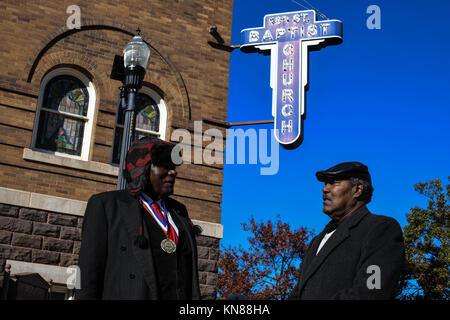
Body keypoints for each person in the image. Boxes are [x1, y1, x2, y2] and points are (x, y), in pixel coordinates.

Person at [76, 137, 201, 300]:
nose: (173, 171)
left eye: (173, 167)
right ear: (143, 168)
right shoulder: (107, 206)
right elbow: (88, 275)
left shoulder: (179, 212)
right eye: (165, 166)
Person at [289, 161, 404, 300]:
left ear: (357, 190)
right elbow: (299, 292)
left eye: (333, 182)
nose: (325, 189)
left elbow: (371, 293)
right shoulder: (316, 241)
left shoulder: (380, 228)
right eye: (325, 183)